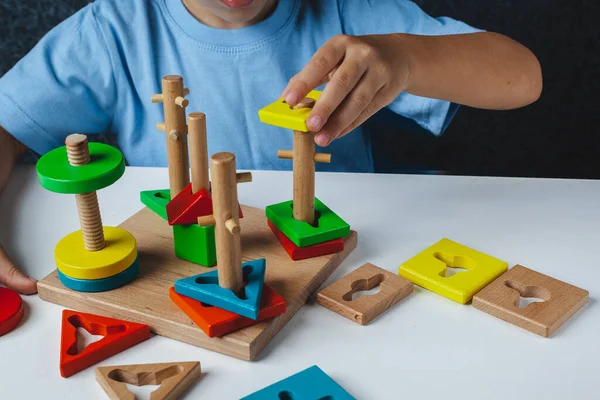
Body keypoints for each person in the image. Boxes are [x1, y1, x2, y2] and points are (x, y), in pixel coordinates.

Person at [0, 0, 542, 293]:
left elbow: (524, 76)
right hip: (178, 269)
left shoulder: (351, 13)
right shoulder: (111, 28)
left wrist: (406, 58)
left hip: (334, 269)